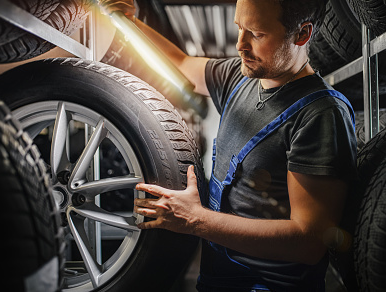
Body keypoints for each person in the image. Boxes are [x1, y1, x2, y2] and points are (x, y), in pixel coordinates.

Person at [102, 0, 357, 291]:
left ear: (302, 34)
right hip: (215, 283)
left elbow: (309, 242)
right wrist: (127, 21)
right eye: (239, 28)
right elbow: (183, 63)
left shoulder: (322, 115)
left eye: (256, 34)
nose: (240, 45)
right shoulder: (238, 78)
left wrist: (195, 220)